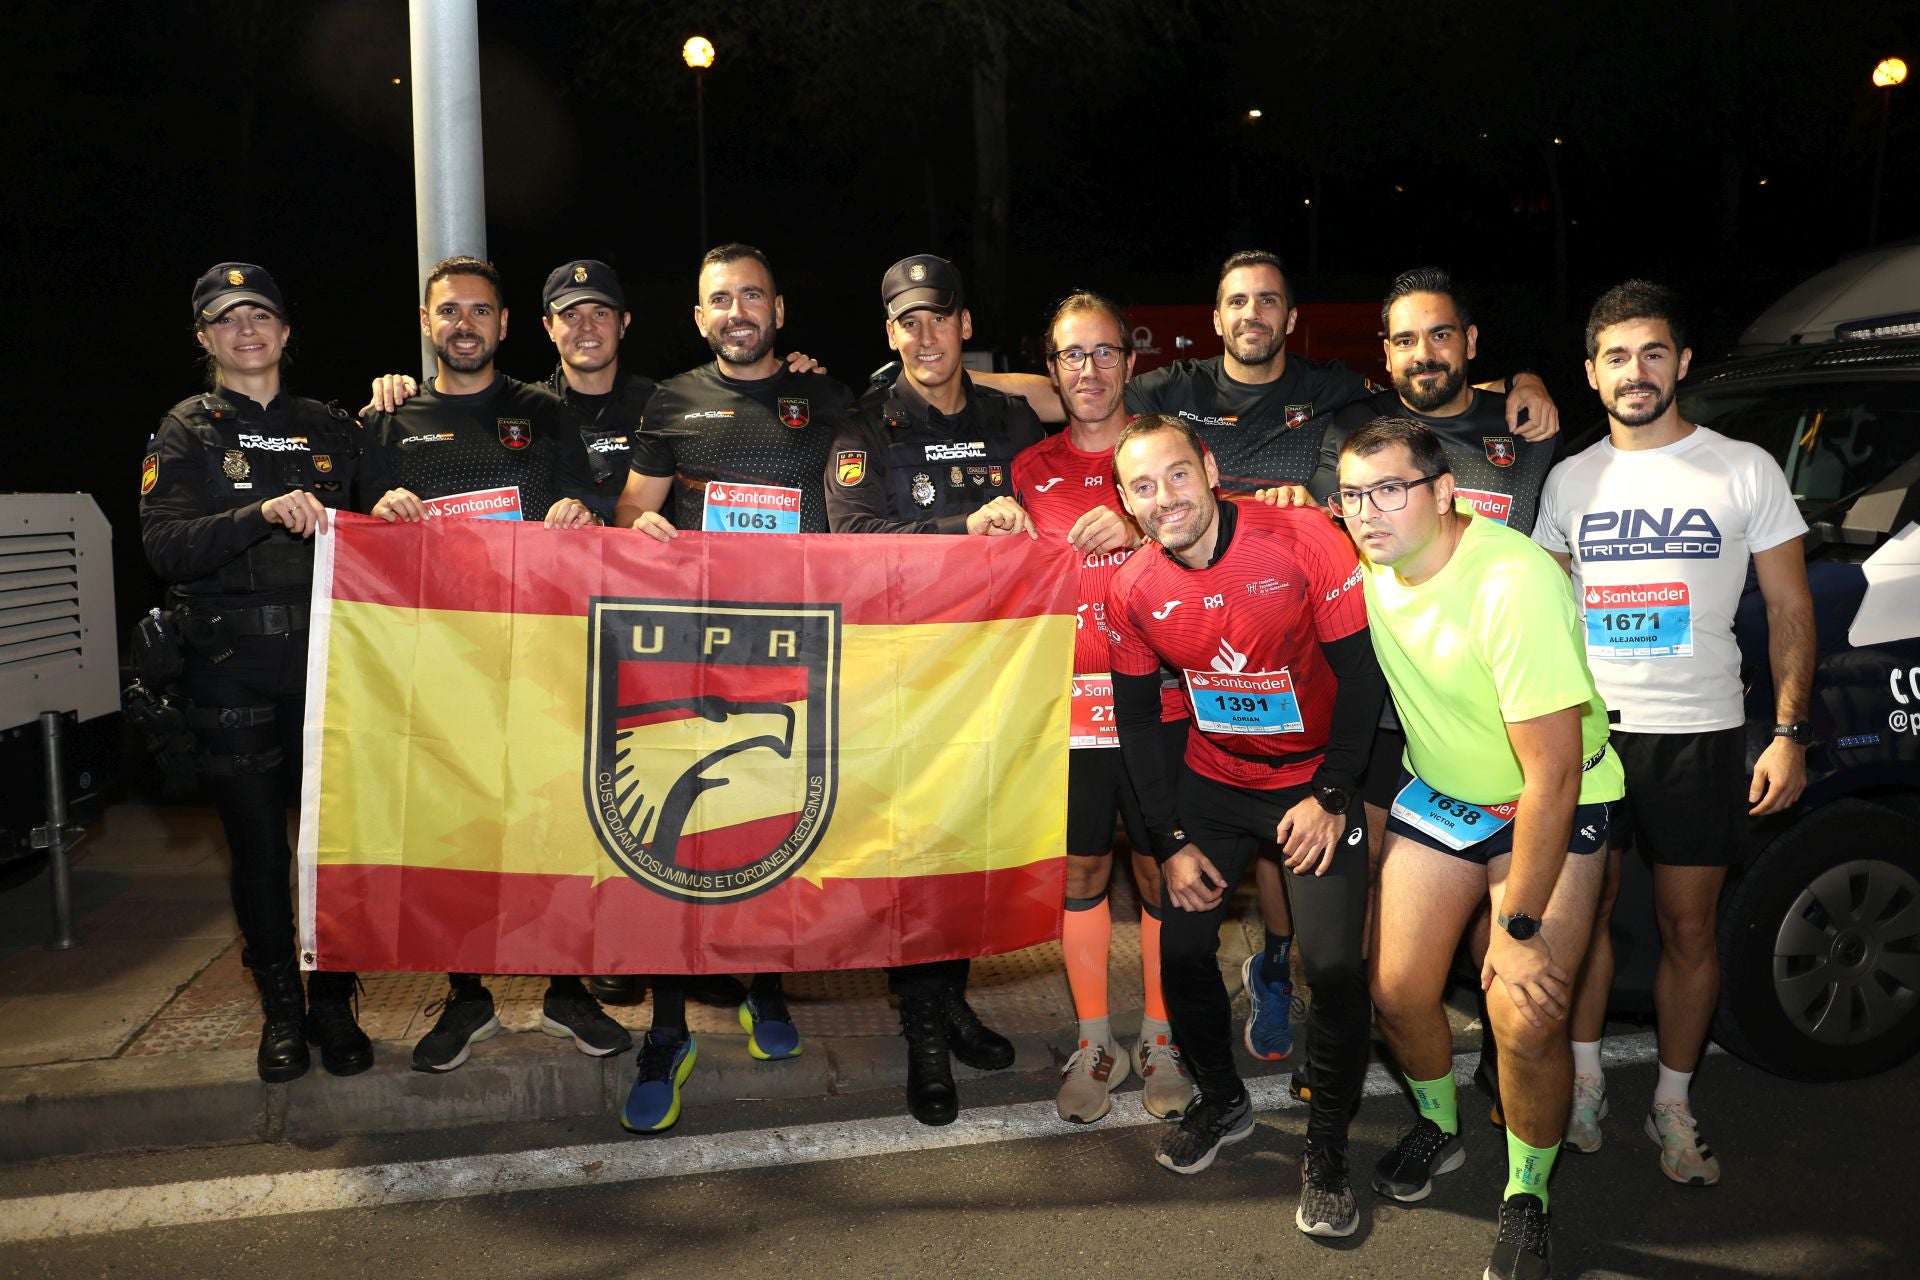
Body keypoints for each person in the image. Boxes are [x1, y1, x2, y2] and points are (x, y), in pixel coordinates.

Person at [987, 251, 1558, 1062]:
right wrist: (903, 374)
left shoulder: (1334, 394)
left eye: (1268, 302)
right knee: (1214, 876)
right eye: (1235, 303)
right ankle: (1278, 983)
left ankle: (1313, 991)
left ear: (1291, 319)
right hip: (1177, 711)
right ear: (1214, 320)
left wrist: (1522, 382)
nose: (1251, 315)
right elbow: (1065, 388)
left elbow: (1427, 385)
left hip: (1336, 679)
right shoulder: (1165, 392)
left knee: (1338, 881)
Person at [1535, 280, 1813, 1184]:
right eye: (1617, 355)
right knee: (1584, 919)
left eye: (1654, 352)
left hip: (1699, 732)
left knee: (1689, 927)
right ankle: (1583, 1084)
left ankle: (1671, 1104)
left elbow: (1788, 606)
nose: (1636, 371)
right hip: (1589, 734)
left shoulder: (1744, 468)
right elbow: (1541, 614)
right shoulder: (1570, 478)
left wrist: (1788, 732)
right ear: (1591, 373)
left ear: (1683, 363)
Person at [1341, 418, 1624, 1280]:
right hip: (1447, 793)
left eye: (1390, 489)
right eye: (1353, 494)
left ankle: (1528, 1194)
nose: (1368, 511)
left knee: (1524, 1013)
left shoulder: (1512, 583)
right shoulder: (1371, 559)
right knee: (1394, 990)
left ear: (1442, 492)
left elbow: (1554, 776)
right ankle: (1439, 1124)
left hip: (1552, 798)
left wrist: (1522, 925)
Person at [1291, 266, 1562, 1113]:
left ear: (1472, 344)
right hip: (1389, 713)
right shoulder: (1358, 429)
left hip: (1500, 704)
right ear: (1385, 353)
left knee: (1501, 909)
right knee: (1359, 895)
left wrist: (1530, 382)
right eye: (1405, 339)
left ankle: (1501, 1058)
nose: (1424, 353)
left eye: (1441, 334)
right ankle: (1337, 1038)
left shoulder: (1527, 428)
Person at [1105, 414, 1382, 1241]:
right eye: (1144, 486)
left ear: (1210, 467)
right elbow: (1138, 727)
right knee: (1182, 952)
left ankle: (1327, 1151)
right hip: (1216, 781)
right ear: (1124, 499)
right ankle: (1224, 1102)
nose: (1166, 499)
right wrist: (1168, 841)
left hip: (1314, 780)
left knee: (1333, 968)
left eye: (1178, 475)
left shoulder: (1301, 539)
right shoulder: (1132, 588)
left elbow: (1363, 679)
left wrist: (1332, 794)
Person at [357, 254, 631, 1073]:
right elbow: (354, 523)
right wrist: (378, 512)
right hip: (440, 669)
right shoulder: (386, 421)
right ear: (427, 324)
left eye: (480, 311)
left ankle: (567, 988)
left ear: (506, 326)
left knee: (557, 819)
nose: (465, 325)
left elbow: (595, 502)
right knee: (455, 828)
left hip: (542, 655)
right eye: (450, 312)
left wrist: (582, 510)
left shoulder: (545, 411)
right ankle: (466, 993)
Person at [612, 242, 853, 1135]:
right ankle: (666, 1029)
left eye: (753, 294)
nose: (737, 310)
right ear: (700, 315)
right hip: (687, 655)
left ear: (779, 310)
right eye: (721, 299)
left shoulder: (827, 399)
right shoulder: (670, 401)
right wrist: (641, 529)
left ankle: (768, 988)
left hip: (793, 657)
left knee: (770, 824)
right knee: (676, 841)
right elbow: (632, 511)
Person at [140, 262, 372, 1083]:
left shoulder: (331, 425)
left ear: (284, 330)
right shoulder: (186, 429)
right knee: (258, 852)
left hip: (328, 664)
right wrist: (259, 513)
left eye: (261, 315)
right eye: (227, 319)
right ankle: (281, 1010)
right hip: (228, 669)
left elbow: (383, 521)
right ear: (205, 338)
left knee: (329, 849)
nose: (248, 331)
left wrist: (400, 503)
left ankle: (336, 1003)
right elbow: (163, 545)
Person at [824, 253, 1036, 1126]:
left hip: (993, 673)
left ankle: (950, 1001)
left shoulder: (1012, 418)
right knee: (912, 851)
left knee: (964, 845)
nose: (924, 336)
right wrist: (964, 526)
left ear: (965, 325)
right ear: (889, 334)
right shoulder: (861, 425)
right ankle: (922, 1029)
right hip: (902, 676)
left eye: (938, 317)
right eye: (906, 322)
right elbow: (855, 536)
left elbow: (1055, 507)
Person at [1010, 292, 1192, 1124]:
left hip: (1160, 703)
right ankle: (1095, 1040)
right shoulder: (1031, 467)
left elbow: (1205, 547)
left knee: (1160, 872)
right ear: (1052, 370)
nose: (1089, 369)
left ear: (1132, 359)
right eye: (1071, 356)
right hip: (1070, 712)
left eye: (1104, 352)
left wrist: (1137, 526)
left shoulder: (1162, 457)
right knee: (1081, 873)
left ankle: (1160, 1036)